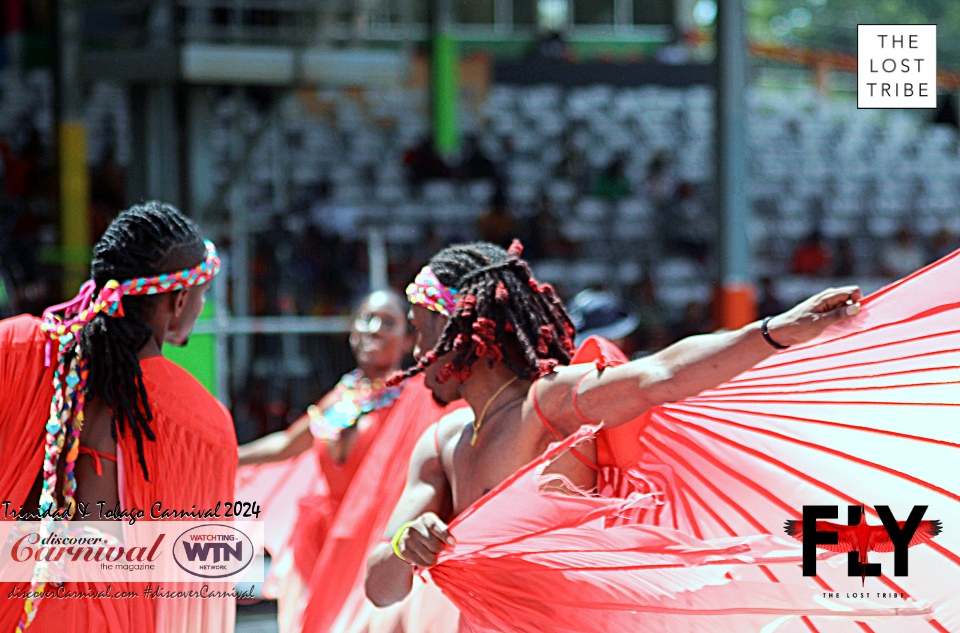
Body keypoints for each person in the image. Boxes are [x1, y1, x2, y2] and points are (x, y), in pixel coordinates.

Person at [364, 240, 864, 616]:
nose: (413, 350)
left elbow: (659, 375)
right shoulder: (440, 443)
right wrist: (408, 542)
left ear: (463, 328)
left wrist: (775, 331)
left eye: (420, 327)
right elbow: (379, 585)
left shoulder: (550, 402)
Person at [0, 202, 235, 632]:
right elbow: (200, 580)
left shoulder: (16, 348)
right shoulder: (202, 422)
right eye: (202, 295)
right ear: (179, 300)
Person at [237, 289, 457, 632]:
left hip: (374, 541)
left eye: (388, 323)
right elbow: (286, 445)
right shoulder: (342, 395)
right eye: (366, 319)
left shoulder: (419, 399)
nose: (374, 329)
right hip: (322, 543)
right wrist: (226, 456)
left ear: (407, 340)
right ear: (352, 332)